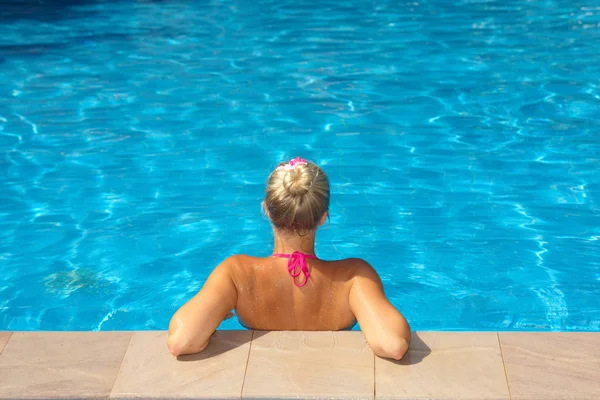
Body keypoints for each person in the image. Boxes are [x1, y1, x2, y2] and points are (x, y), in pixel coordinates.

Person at [168, 157, 411, 359]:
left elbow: (182, 341)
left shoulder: (237, 273)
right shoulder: (353, 277)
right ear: (323, 217)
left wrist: (219, 310)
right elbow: (392, 345)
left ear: (266, 209)